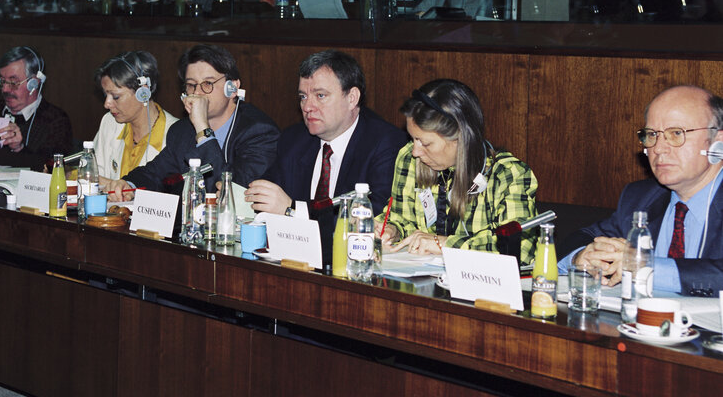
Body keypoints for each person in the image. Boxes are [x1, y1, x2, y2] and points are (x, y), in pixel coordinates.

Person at [558, 85, 723, 296]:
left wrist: (645, 267)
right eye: (652, 135)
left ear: (718, 142)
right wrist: (582, 256)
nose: (659, 148)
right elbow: (586, 236)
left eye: (675, 133)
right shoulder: (641, 197)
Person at [381, 79, 538, 266]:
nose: (416, 151)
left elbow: (520, 248)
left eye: (425, 143)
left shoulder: (508, 175)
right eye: (413, 139)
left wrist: (445, 244)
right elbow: (401, 218)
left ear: (460, 138)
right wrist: (391, 229)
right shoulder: (409, 159)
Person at [103, 44, 279, 201]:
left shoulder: (259, 132)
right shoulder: (182, 131)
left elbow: (228, 194)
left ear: (232, 88)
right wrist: (128, 184)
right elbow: (155, 173)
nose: (198, 93)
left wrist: (203, 129)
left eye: (207, 84)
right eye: (191, 85)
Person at [245, 50, 407, 219]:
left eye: (320, 95)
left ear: (352, 98)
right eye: (303, 96)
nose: (307, 107)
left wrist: (292, 210)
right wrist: (234, 196)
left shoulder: (385, 143)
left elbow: (373, 214)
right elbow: (266, 195)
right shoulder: (293, 139)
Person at [0, 46, 73, 171]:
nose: (5, 89)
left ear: (34, 83)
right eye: (2, 81)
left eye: (13, 82)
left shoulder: (56, 120)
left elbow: (53, 168)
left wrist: (19, 148)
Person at [92, 51, 179, 180]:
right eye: (106, 95)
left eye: (116, 96)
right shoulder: (109, 122)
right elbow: (91, 176)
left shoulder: (176, 135)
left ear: (143, 92)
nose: (107, 104)